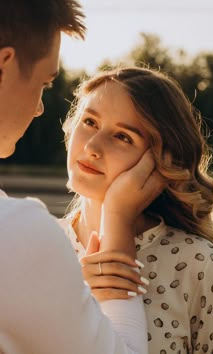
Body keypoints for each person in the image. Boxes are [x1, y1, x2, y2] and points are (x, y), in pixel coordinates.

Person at [0, 2, 157, 353]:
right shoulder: (19, 232)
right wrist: (117, 220)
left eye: (123, 136)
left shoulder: (196, 260)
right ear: (3, 66)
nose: (40, 107)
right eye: (44, 83)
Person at [62, 66, 213, 353]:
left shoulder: (198, 262)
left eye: (123, 137)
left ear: (160, 161)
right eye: (90, 122)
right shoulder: (37, 244)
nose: (92, 146)